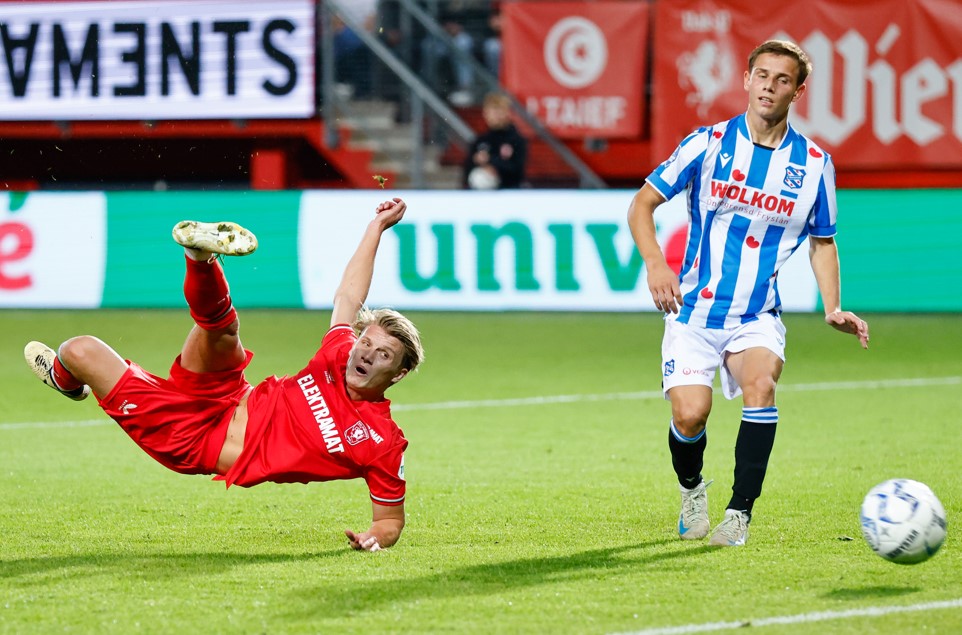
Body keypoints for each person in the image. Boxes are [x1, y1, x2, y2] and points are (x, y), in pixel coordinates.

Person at [23, 198, 423, 553]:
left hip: (193, 437)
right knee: (222, 329)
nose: (365, 354)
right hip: (226, 391)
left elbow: (389, 522)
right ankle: (200, 257)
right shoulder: (337, 354)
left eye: (382, 354)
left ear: (399, 374)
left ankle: (64, 376)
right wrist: (376, 228)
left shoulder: (382, 442)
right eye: (365, 343)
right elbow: (349, 297)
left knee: (79, 349)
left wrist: (374, 539)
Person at [627, 40, 870, 547]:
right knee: (689, 414)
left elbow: (823, 241)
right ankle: (692, 489)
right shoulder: (706, 143)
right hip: (692, 311)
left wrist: (833, 306)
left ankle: (739, 513)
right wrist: (655, 262)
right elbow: (642, 204)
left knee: (761, 386)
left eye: (782, 80)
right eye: (761, 75)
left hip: (756, 315)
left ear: (797, 91)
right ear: (746, 79)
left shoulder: (815, 164)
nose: (769, 86)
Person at [463, 92, 528, 190]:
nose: (495, 115)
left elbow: (517, 171)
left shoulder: (516, 139)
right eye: (492, 111)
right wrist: (478, 164)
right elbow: (466, 171)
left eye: (498, 111)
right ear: (485, 114)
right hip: (481, 198)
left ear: (507, 113)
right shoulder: (481, 140)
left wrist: (492, 163)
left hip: (509, 194)